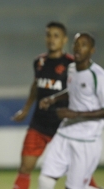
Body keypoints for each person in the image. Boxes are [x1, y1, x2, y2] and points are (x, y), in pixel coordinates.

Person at [11, 22, 99, 189]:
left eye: (56, 36)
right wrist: (26, 109)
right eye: (49, 35)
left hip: (63, 128)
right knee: (25, 169)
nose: (51, 39)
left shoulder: (73, 64)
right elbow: (35, 86)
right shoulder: (39, 61)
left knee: (79, 175)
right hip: (38, 125)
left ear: (64, 39)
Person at [38, 32, 104, 189]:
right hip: (65, 133)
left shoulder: (98, 76)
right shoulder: (72, 68)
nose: (78, 48)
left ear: (92, 50)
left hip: (87, 140)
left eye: (83, 45)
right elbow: (73, 90)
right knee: (45, 181)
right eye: (76, 44)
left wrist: (76, 114)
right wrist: (53, 98)